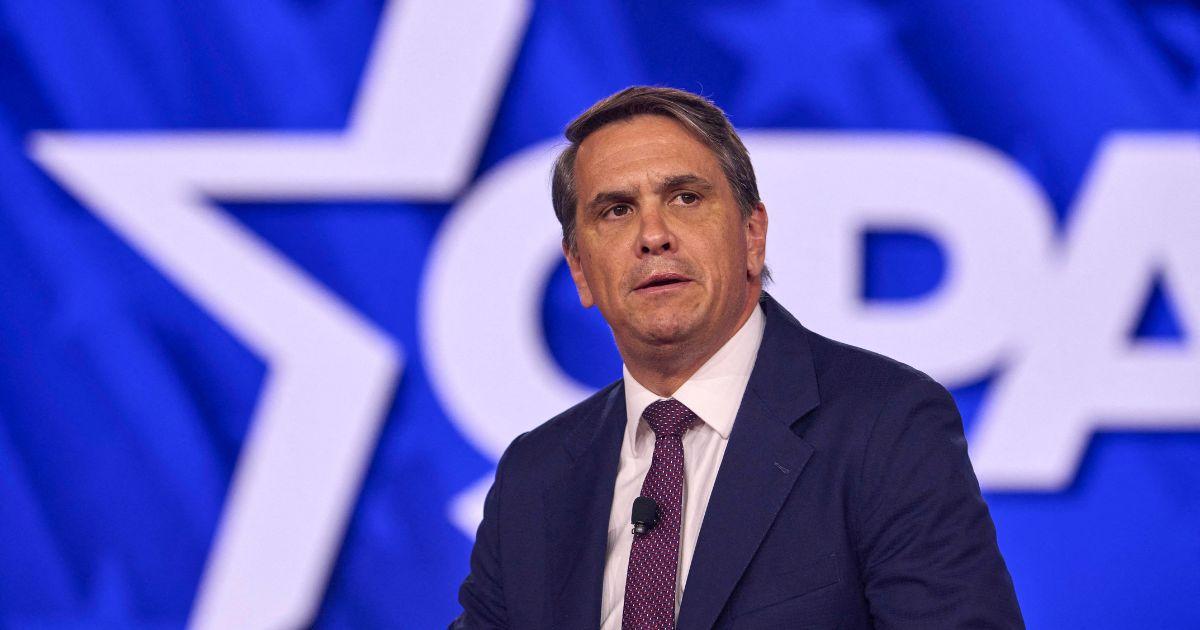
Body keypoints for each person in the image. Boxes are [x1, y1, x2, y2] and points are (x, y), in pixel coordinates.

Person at [452, 86, 1023, 629]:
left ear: (753, 235)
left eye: (686, 198)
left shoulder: (886, 426)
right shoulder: (535, 476)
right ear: (579, 268)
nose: (654, 235)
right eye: (617, 211)